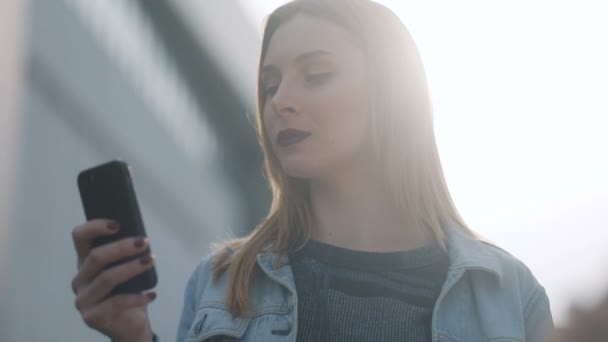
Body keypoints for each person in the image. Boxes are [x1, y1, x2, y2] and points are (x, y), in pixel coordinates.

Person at [69, 0, 604, 341]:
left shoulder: (508, 292)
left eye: (316, 74)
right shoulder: (221, 284)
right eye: (271, 83)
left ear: (394, 94)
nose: (281, 101)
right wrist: (133, 337)